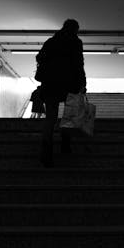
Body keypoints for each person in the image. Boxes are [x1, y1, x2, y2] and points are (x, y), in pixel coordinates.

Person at [35, 19, 87, 167]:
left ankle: (46, 153)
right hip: (69, 85)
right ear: (75, 29)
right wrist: (83, 83)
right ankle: (65, 145)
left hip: (50, 84)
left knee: (50, 118)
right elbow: (79, 63)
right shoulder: (76, 42)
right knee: (69, 116)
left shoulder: (51, 41)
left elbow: (39, 57)